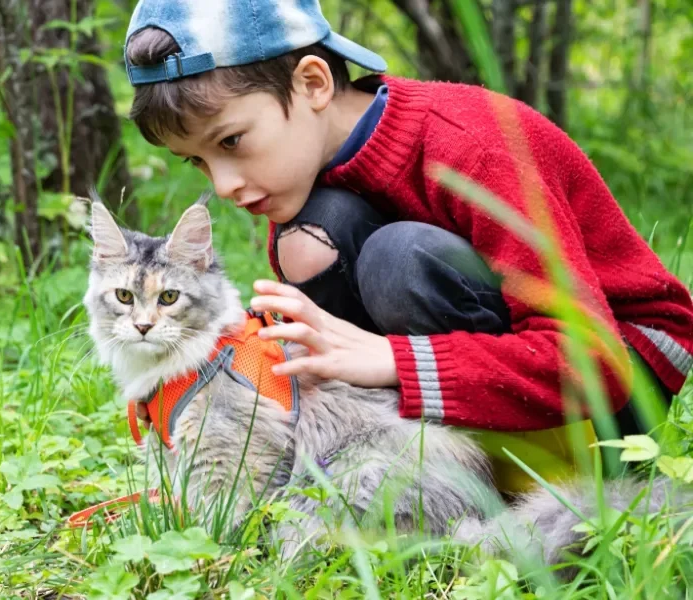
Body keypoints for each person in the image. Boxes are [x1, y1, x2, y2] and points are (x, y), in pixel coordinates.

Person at [121, 0, 693, 492]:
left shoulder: (472, 146)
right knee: (317, 235)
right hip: (497, 360)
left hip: (621, 372)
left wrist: (393, 361)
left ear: (314, 82)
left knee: (402, 258)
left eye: (232, 141)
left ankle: (532, 483)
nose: (223, 185)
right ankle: (411, 469)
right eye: (198, 160)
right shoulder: (304, 190)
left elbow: (595, 360)